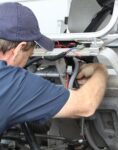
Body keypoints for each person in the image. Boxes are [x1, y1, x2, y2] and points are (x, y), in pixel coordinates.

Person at [0, 2, 107, 133]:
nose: (26, 62)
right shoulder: (12, 82)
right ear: (19, 48)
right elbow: (86, 105)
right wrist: (100, 70)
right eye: (29, 55)